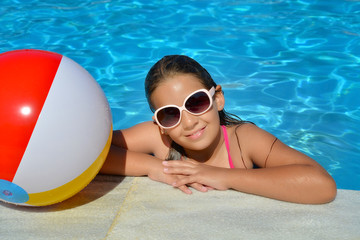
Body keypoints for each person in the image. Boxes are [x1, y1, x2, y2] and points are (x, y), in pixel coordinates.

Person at [100, 55, 337, 204]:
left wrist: (221, 176)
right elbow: (89, 153)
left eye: (196, 102)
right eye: (170, 114)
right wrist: (153, 167)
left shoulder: (245, 141)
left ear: (218, 98)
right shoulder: (159, 139)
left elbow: (322, 185)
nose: (189, 122)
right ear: (159, 123)